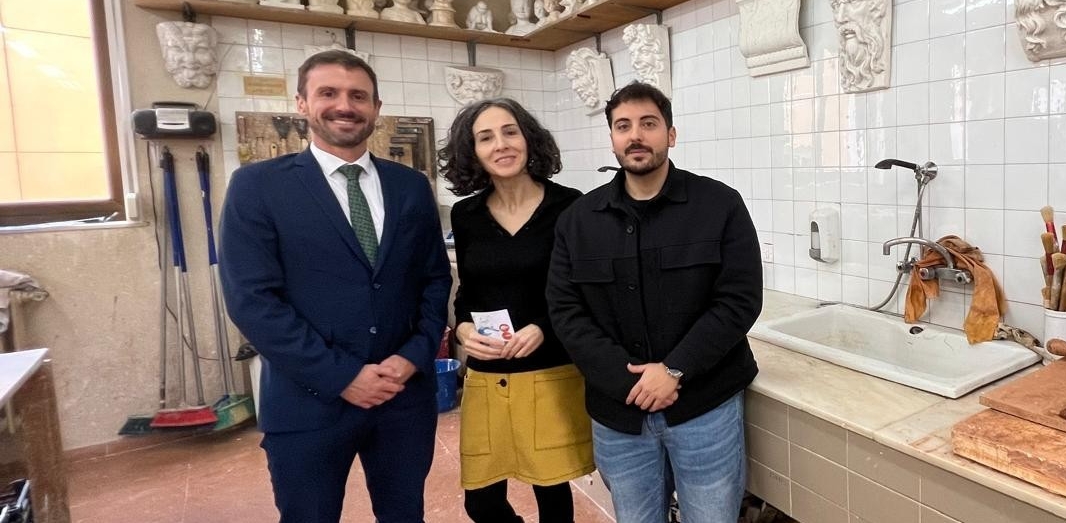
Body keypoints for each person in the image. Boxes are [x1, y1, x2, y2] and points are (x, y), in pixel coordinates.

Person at [220, 50, 451, 523]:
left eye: (358, 96)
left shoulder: (410, 186)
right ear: (301, 103)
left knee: (405, 515)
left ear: (376, 107)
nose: (345, 105)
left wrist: (412, 357)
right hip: (308, 401)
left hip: (402, 399)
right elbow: (253, 300)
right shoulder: (257, 186)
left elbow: (433, 280)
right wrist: (342, 376)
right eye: (328, 93)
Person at [547, 82, 762, 523]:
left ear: (671, 134)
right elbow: (566, 311)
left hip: (705, 407)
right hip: (619, 413)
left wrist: (674, 369)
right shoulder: (578, 221)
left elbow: (739, 299)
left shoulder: (719, 204)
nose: (636, 135)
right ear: (612, 138)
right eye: (623, 126)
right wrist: (626, 380)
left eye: (648, 123)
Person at [441, 98, 594, 523]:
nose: (501, 144)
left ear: (529, 139)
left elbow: (586, 292)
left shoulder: (570, 207)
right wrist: (464, 330)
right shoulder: (466, 215)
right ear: (473, 151)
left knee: (551, 490)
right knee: (481, 501)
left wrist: (544, 328)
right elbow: (468, 293)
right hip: (489, 372)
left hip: (551, 369)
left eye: (510, 132)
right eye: (486, 137)